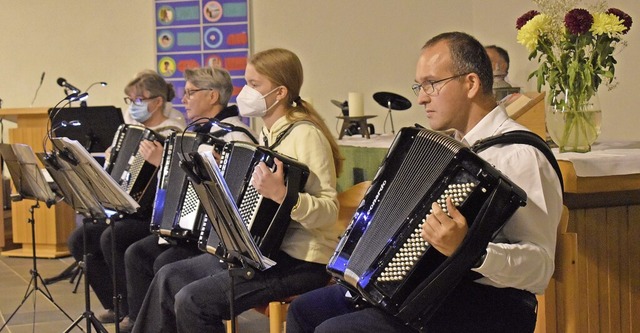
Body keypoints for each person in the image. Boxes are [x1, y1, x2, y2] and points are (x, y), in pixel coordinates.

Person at [286, 32, 563, 333]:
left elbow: (539, 268)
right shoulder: (452, 152)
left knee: (337, 331)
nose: (421, 97)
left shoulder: (519, 155)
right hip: (431, 294)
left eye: (431, 84)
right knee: (305, 310)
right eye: (420, 85)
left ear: (470, 83)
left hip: (490, 305)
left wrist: (471, 251)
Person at [131, 47, 345, 333]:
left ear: (280, 92)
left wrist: (283, 195)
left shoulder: (306, 134)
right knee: (169, 275)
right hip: (264, 252)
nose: (245, 91)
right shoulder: (270, 132)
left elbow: (329, 212)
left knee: (193, 301)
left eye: (254, 85)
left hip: (301, 261)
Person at [121, 66, 256, 331]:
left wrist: (165, 164)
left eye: (191, 93)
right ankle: (139, 322)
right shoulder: (200, 133)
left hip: (217, 237)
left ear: (213, 96)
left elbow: (238, 197)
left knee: (164, 262)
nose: (184, 100)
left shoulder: (235, 136)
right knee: (137, 253)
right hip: (191, 230)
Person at [67, 70, 186, 324]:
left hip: (154, 215)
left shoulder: (173, 132)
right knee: (81, 238)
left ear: (157, 102)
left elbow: (167, 186)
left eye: (139, 100)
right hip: (128, 210)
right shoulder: (132, 132)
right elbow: (121, 179)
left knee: (113, 236)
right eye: (130, 100)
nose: (133, 106)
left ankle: (135, 311)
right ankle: (116, 302)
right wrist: (112, 159)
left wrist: (158, 162)